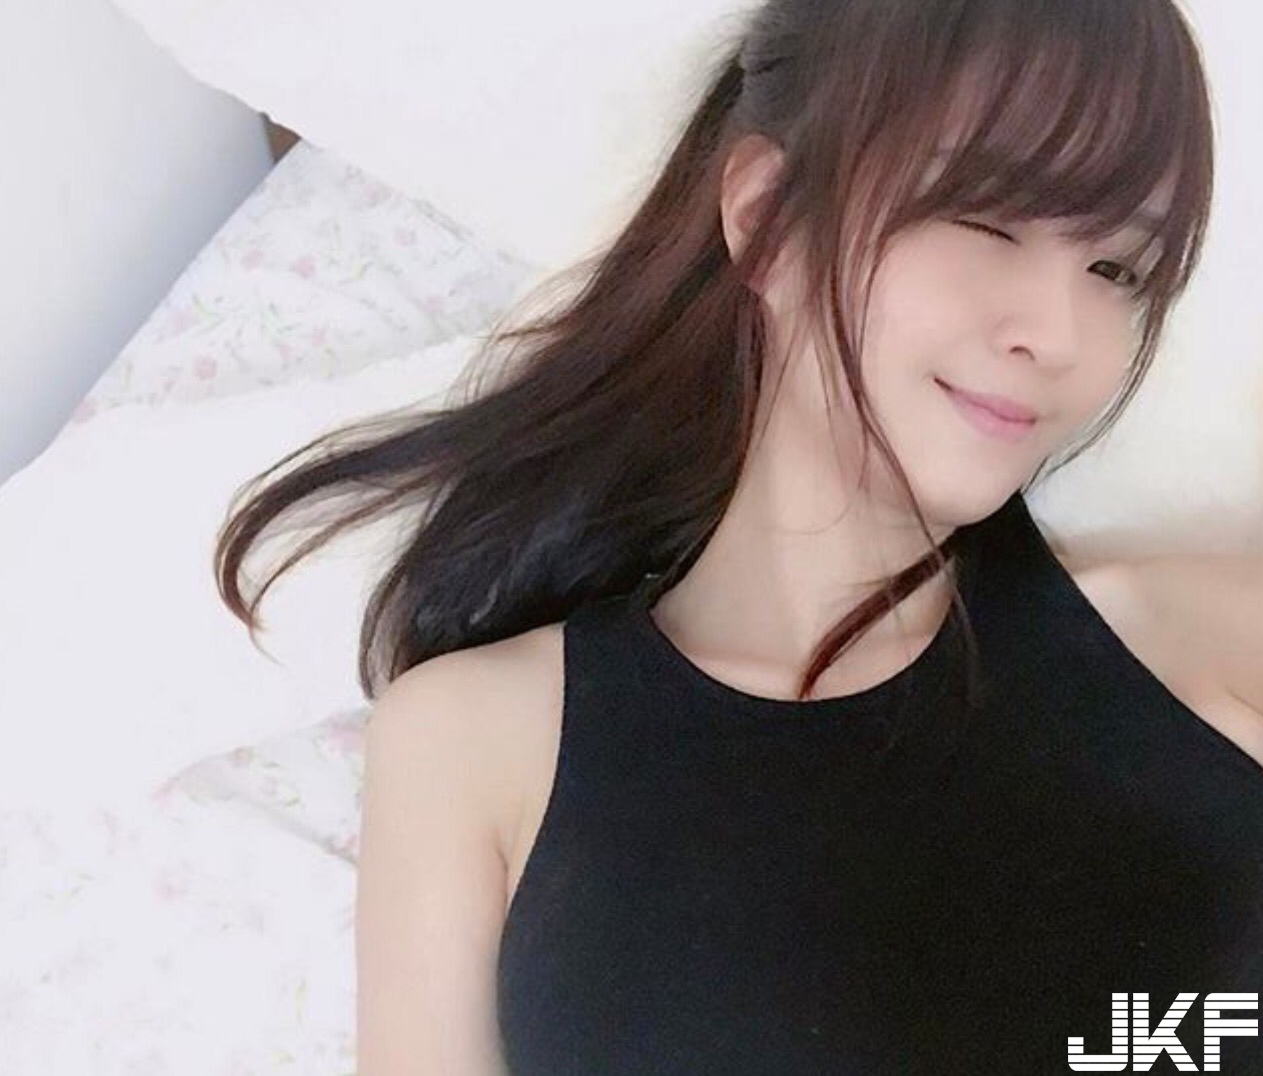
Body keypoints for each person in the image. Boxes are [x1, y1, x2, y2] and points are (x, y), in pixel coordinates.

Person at [213, 0, 1262, 1072]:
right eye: (989, 219)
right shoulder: (479, 744)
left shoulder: (1216, 646)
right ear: (766, 219)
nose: (1059, 332)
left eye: (1118, 271)